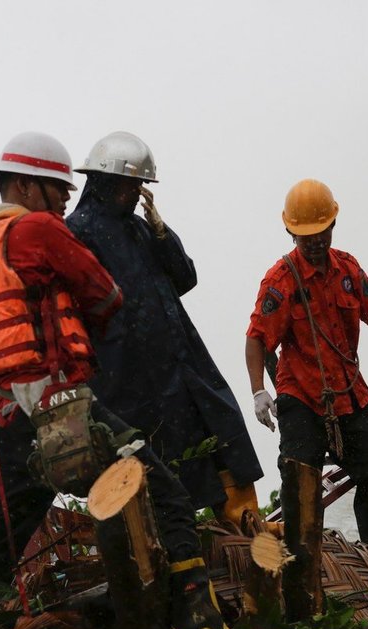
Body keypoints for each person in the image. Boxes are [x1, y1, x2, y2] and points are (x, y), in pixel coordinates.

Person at [0, 132, 232, 629]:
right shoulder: (38, 229)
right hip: (66, 408)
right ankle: (200, 620)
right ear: (23, 185)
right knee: (166, 492)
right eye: (56, 188)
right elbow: (105, 294)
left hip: (11, 415)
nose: (65, 199)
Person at [67, 131, 264, 524]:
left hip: (182, 358)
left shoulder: (141, 229)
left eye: (140, 184)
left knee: (220, 424)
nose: (136, 191)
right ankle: (185, 544)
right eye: (130, 183)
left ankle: (245, 526)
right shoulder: (77, 233)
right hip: (131, 375)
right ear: (105, 181)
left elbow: (186, 277)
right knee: (162, 460)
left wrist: (161, 231)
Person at [244, 178, 368, 571]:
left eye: (321, 232)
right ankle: (301, 562)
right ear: (290, 232)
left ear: (334, 224)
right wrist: (258, 392)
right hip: (300, 395)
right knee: (301, 481)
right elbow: (257, 337)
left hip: (350, 393)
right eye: (305, 236)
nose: (315, 241)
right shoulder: (280, 281)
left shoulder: (348, 269)